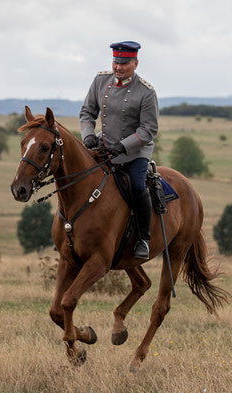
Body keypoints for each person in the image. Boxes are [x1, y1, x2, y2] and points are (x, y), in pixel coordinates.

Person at [79, 41, 159, 259]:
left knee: (136, 186)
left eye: (124, 63)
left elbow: (148, 130)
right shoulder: (100, 81)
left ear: (135, 63)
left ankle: (143, 238)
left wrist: (122, 147)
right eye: (116, 62)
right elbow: (87, 112)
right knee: (78, 178)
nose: (118, 67)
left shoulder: (146, 92)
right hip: (103, 146)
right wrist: (87, 136)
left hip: (134, 152)